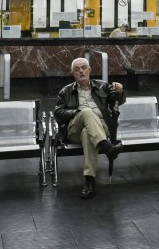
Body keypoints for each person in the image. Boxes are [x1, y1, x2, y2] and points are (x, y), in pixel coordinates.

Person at [54, 57, 126, 199]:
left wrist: (119, 91)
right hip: (75, 127)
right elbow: (58, 113)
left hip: (101, 126)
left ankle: (89, 181)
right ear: (72, 73)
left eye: (84, 68)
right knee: (86, 112)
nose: (81, 71)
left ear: (89, 70)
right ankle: (108, 148)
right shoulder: (66, 91)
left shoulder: (103, 86)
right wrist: (76, 113)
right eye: (77, 69)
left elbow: (118, 101)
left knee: (88, 133)